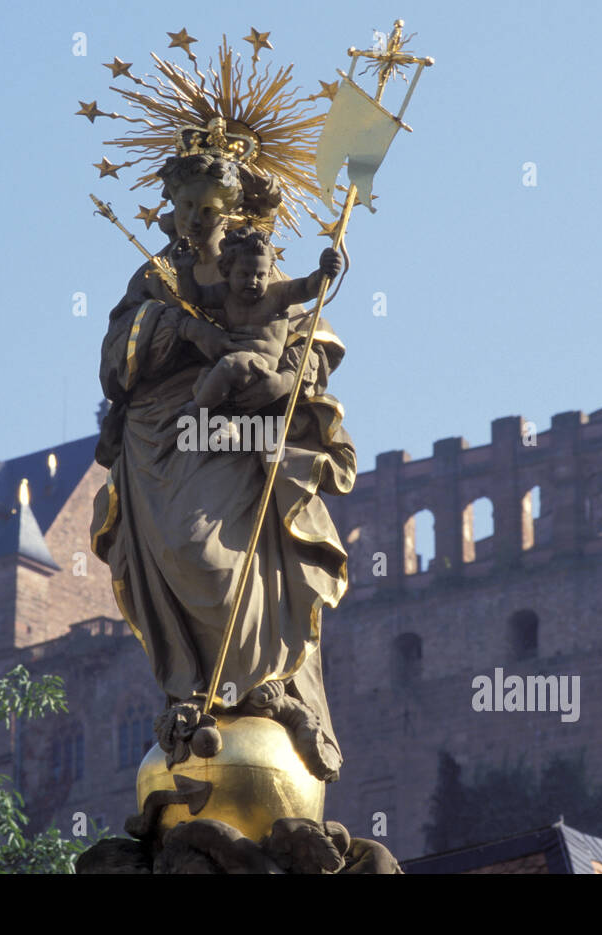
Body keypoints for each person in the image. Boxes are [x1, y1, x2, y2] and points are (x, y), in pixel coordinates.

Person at [90, 151, 355, 782]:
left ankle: (261, 685)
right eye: (183, 206)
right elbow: (114, 358)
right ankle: (196, 687)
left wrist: (290, 372)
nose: (194, 218)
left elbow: (309, 333)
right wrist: (182, 331)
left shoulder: (256, 272)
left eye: (208, 207)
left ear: (231, 208)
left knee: (222, 560)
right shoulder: (155, 277)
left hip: (243, 438)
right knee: (183, 553)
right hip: (166, 438)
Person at [172, 227, 341, 417]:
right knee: (211, 379)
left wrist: (325, 271)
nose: (252, 281)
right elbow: (196, 297)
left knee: (233, 364)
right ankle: (225, 426)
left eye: (260, 275)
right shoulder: (226, 294)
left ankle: (196, 409)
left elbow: (307, 288)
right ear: (227, 272)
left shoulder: (277, 294)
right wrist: (184, 270)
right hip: (229, 370)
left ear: (270, 273)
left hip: (259, 368)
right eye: (244, 275)